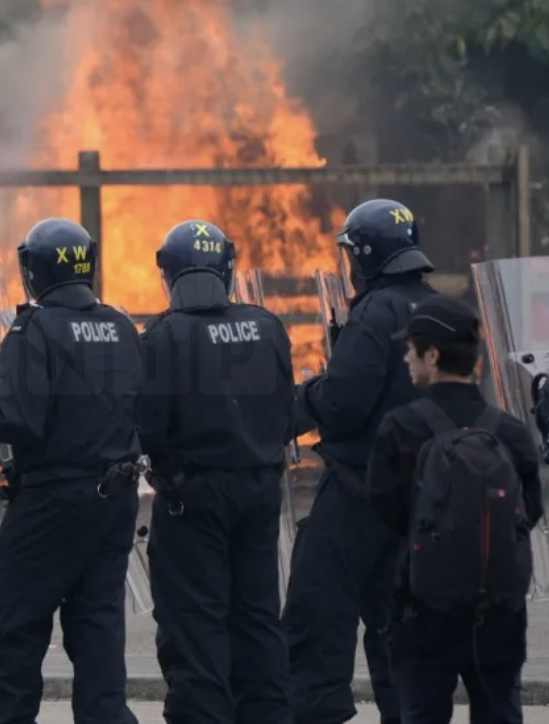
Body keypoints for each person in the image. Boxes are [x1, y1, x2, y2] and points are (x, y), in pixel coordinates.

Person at [0, 217, 142, 724]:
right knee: (98, 628)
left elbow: (18, 419)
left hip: (53, 502)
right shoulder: (121, 325)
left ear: (33, 270)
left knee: (9, 628)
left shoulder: (33, 328)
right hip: (115, 499)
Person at [282, 198, 436, 724]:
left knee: (316, 605)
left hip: (359, 489)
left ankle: (318, 713)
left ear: (367, 255)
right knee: (395, 621)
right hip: (418, 494)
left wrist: (299, 401)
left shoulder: (375, 312)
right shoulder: (441, 309)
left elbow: (344, 404)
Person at [139, 220, 295, 724]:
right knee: (257, 617)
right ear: (227, 268)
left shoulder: (164, 335)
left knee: (194, 622)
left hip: (193, 498)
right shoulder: (268, 325)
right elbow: (286, 410)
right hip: (262, 490)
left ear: (170, 273)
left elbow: (150, 426)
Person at [367, 295, 542, 724]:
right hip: (500, 609)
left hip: (423, 606)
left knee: (422, 713)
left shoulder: (400, 428)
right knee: (500, 710)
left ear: (432, 355)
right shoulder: (512, 433)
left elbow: (385, 509)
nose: (406, 357)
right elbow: (530, 510)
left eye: (411, 348)